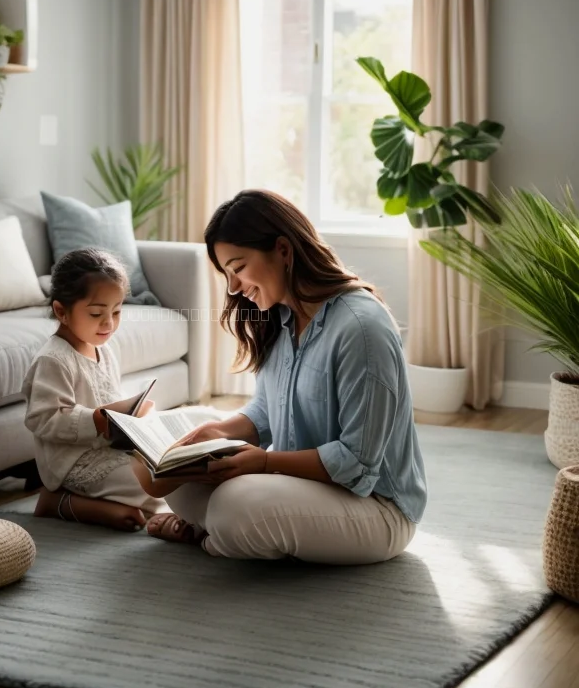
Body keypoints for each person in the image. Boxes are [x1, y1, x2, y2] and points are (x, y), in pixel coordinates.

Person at [135, 189, 428, 563]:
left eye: (238, 268)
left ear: (283, 250)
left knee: (233, 504)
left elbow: (356, 462)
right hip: (303, 487)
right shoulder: (280, 318)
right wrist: (216, 433)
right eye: (227, 274)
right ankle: (225, 528)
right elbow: (266, 412)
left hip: (375, 507)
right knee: (165, 438)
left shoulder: (361, 328)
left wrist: (265, 463)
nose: (233, 287)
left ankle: (211, 532)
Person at [22, 247, 162, 531]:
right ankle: (57, 501)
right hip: (73, 464)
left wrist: (134, 417)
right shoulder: (53, 359)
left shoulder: (103, 348)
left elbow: (107, 397)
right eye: (97, 313)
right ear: (61, 312)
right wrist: (97, 419)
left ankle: (101, 507)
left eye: (117, 311)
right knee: (153, 485)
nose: (109, 323)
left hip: (108, 450)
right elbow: (43, 418)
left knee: (167, 466)